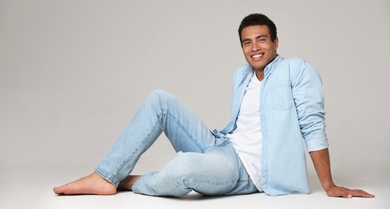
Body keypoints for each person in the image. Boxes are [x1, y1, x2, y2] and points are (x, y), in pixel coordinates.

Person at [53, 13, 374, 198]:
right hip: (222, 147)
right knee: (159, 99)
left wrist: (328, 185)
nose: (254, 47)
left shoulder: (297, 70)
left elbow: (313, 125)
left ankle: (128, 181)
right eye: (247, 42)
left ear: (276, 42)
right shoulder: (241, 75)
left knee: (184, 168)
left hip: (247, 171)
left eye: (262, 39)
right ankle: (106, 175)